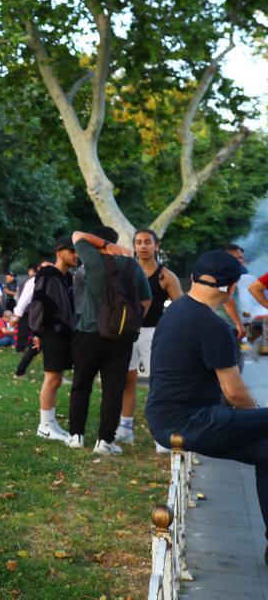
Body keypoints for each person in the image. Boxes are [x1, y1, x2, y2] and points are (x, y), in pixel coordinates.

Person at [144, 251, 268, 561]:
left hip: (165, 417)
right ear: (230, 287)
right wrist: (254, 418)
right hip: (191, 422)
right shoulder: (213, 326)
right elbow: (235, 393)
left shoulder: (176, 309)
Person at [66, 228, 151, 454]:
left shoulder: (93, 260)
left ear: (97, 243)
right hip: (121, 337)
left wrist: (103, 244)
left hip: (89, 332)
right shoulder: (133, 266)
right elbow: (146, 300)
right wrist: (130, 322)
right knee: (113, 389)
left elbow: (77, 235)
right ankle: (105, 441)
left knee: (81, 385)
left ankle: (76, 435)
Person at [116, 229, 181, 447]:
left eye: (147, 242)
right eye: (139, 242)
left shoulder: (166, 276)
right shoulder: (126, 273)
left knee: (159, 383)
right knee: (127, 380)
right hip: (128, 333)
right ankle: (125, 428)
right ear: (134, 246)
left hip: (154, 333)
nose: (143, 246)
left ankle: (161, 435)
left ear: (156, 245)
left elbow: (180, 309)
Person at [28, 238, 78, 442]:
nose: (76, 255)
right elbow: (38, 303)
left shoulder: (67, 277)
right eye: (72, 251)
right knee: (52, 378)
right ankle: (45, 425)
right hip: (51, 332)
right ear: (59, 252)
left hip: (64, 333)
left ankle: (51, 421)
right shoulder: (48, 275)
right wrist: (38, 332)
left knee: (56, 378)